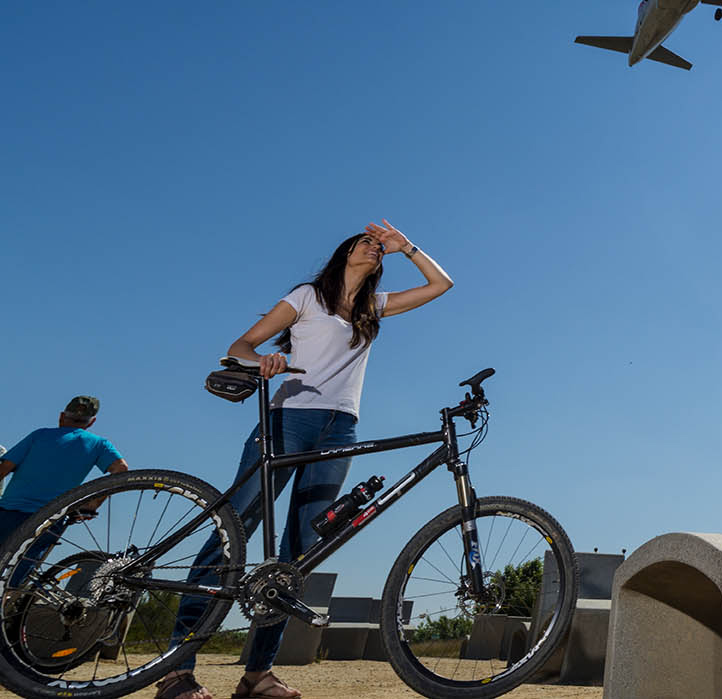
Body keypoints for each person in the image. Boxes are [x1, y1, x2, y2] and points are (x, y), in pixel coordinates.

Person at [159, 221, 453, 699]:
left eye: (379, 247)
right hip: (288, 420)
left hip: (341, 427)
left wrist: (409, 247)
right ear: (343, 253)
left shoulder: (371, 308)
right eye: (367, 242)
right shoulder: (306, 296)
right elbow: (240, 347)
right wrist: (263, 363)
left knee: (300, 554)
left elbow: (441, 285)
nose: (374, 248)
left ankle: (257, 675)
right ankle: (177, 669)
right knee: (232, 532)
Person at [0, 395, 128, 547]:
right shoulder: (99, 445)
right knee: (23, 566)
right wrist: (93, 504)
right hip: (51, 517)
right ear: (92, 421)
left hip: (9, 512)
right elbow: (121, 469)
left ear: (62, 416)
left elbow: (3, 469)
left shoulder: (39, 435)